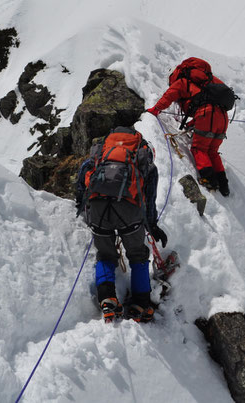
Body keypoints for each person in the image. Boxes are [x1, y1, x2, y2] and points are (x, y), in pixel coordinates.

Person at [74, 125, 168, 323]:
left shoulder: (101, 153)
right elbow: (149, 198)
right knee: (138, 255)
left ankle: (107, 298)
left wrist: (83, 204)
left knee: (106, 256)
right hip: (130, 212)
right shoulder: (143, 158)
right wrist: (152, 225)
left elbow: (82, 177)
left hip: (98, 210)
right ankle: (140, 303)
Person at [146, 57, 231, 196]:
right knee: (212, 151)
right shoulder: (206, 81)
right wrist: (195, 123)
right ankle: (224, 185)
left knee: (199, 149)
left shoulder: (182, 82)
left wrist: (156, 109)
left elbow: (169, 95)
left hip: (207, 114)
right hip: (222, 117)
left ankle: (210, 180)